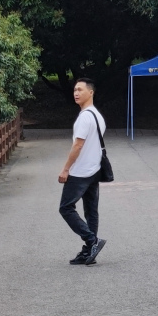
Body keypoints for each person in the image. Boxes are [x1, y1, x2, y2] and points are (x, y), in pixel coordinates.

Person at [56, 79, 108, 265]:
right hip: (94, 169)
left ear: (91, 92)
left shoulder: (85, 117)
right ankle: (89, 252)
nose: (76, 93)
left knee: (65, 208)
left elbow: (78, 145)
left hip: (80, 171)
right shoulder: (97, 116)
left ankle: (92, 241)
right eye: (74, 90)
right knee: (91, 211)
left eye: (80, 89)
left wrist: (66, 168)